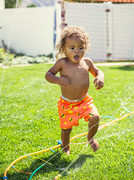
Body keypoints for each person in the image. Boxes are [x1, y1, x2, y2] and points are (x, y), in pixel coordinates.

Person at [45, 25, 104, 155]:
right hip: (67, 104)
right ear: (64, 49)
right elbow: (48, 75)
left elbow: (98, 71)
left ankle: (91, 138)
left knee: (95, 117)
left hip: (84, 102)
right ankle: (66, 147)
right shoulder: (62, 63)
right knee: (66, 129)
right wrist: (57, 80)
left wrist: (100, 77)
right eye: (72, 48)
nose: (77, 51)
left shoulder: (87, 63)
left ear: (85, 47)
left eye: (80, 48)